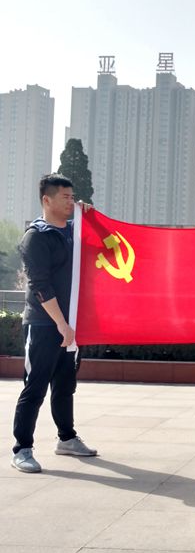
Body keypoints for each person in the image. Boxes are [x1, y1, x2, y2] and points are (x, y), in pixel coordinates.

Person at [11, 174, 97, 473]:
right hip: (45, 324)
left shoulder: (74, 231)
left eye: (73, 197)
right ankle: (22, 448)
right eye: (65, 197)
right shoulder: (36, 236)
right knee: (35, 387)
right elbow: (40, 285)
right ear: (47, 200)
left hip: (71, 324)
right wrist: (61, 323)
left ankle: (67, 439)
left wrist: (90, 218)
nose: (71, 202)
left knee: (65, 385)